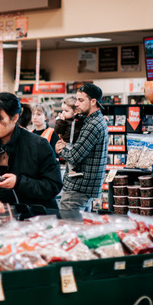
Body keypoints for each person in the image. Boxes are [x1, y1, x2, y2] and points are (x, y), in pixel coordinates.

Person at [55, 83, 109, 212]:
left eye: (81, 100)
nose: (76, 104)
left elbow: (74, 156)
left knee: (70, 229)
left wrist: (61, 149)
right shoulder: (92, 120)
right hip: (82, 188)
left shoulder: (93, 124)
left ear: (93, 102)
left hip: (77, 189)